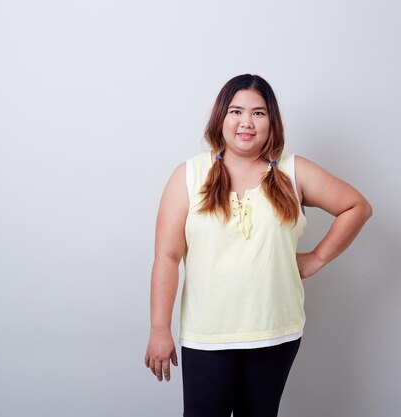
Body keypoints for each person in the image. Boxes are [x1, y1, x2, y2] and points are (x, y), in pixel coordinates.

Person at [144, 74, 372, 417]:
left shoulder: (293, 171)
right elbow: (167, 255)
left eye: (258, 113)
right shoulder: (189, 175)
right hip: (208, 336)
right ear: (220, 117)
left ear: (272, 121)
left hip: (275, 333)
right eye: (236, 111)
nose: (246, 123)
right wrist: (159, 329)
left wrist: (317, 258)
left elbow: (356, 207)